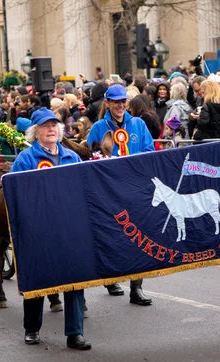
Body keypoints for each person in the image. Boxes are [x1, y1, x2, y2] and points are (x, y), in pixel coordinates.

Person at [10, 108, 90, 350]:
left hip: (68, 226)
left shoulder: (71, 157)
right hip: (38, 228)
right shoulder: (25, 159)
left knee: (74, 277)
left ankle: (75, 333)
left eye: (55, 125)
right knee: (38, 276)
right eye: (45, 126)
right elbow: (15, 193)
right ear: (36, 132)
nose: (52, 129)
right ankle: (32, 328)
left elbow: (82, 189)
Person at [87, 85, 154, 305]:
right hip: (108, 191)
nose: (120, 105)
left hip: (135, 188)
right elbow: (91, 157)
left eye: (123, 101)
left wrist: (132, 166)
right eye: (115, 101)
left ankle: (137, 288)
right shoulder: (98, 127)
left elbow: (149, 151)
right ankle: (111, 277)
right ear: (107, 103)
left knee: (139, 238)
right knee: (112, 237)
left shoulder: (138, 124)